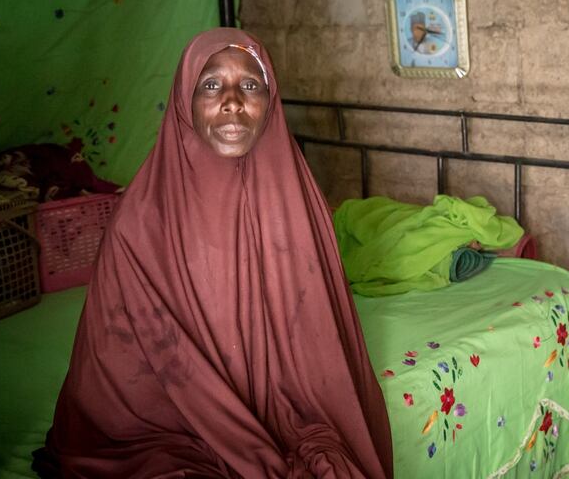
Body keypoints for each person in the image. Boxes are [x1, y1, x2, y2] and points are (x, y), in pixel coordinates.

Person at [38, 28, 393, 478]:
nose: (232, 102)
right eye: (210, 85)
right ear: (184, 102)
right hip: (166, 419)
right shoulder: (142, 218)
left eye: (250, 85)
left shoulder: (297, 204)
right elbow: (122, 364)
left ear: (270, 102)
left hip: (274, 406)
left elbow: (316, 338)